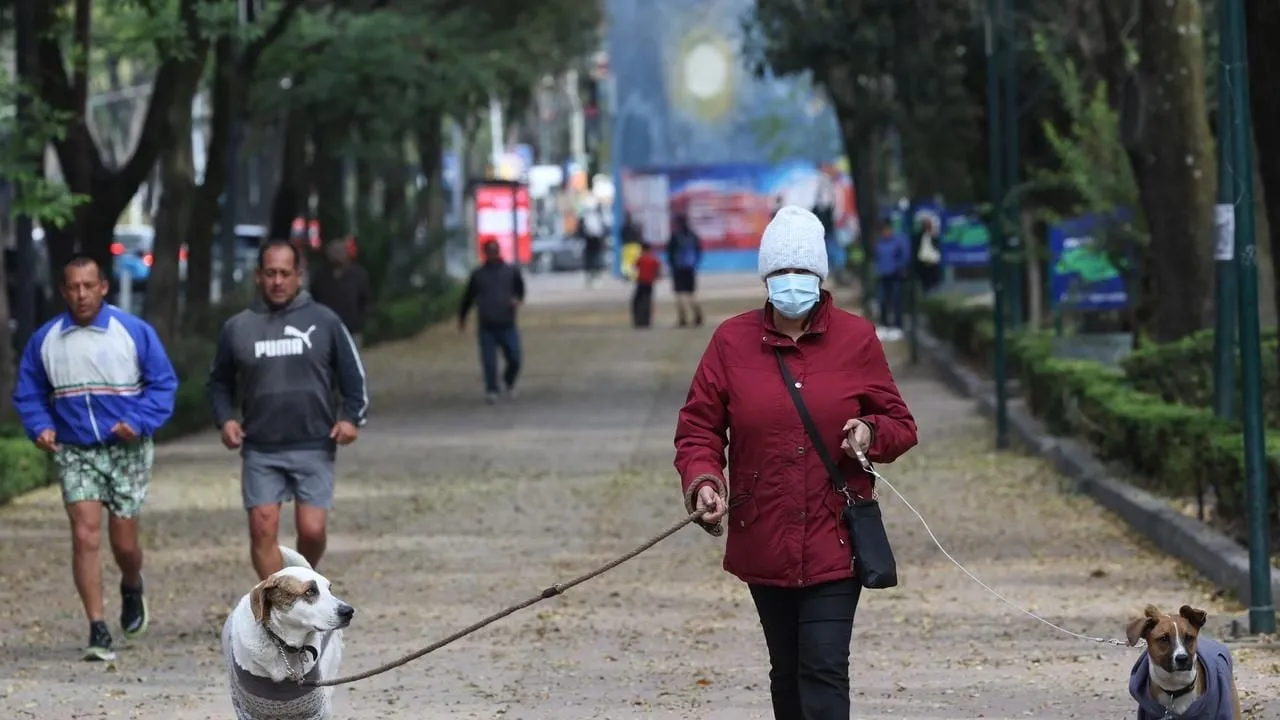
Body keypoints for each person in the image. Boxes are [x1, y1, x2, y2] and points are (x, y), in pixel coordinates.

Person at [673, 205, 917, 720]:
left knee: (824, 668)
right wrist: (704, 482)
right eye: (781, 273)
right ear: (765, 277)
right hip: (764, 532)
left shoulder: (856, 339)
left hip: (837, 535)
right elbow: (698, 427)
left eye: (802, 273)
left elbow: (900, 424)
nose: (791, 284)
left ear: (820, 277)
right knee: (786, 672)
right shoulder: (730, 342)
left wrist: (870, 434)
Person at [12, 254, 179, 661]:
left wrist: (137, 421)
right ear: (63, 290)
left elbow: (163, 385)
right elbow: (29, 392)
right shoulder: (46, 340)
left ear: (103, 287)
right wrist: (41, 427)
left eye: (89, 285)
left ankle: (132, 582)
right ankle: (97, 627)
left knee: (124, 543)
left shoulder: (133, 331)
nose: (81, 294)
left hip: (126, 449)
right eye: (73, 287)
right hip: (75, 450)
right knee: (84, 536)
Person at [206, 239, 369, 581]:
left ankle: (298, 580)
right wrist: (225, 420)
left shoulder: (325, 322)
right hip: (261, 448)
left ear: (299, 275)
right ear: (258, 277)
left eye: (284, 273)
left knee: (311, 530)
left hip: (313, 443)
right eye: (270, 273)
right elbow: (219, 383)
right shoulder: (238, 327)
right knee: (262, 529)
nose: (277, 281)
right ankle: (277, 606)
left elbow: (354, 379)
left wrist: (351, 419)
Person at [459, 239, 526, 404]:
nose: (492, 254)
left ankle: (508, 381)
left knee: (514, 357)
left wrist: (517, 299)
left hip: (507, 322)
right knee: (489, 361)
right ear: (485, 254)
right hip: (487, 324)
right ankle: (492, 389)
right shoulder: (478, 275)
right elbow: (468, 298)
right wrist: (463, 317)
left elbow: (520, 290)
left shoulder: (511, 272)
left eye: (495, 251)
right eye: (489, 252)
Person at [309, 237, 372, 347]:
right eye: (332, 251)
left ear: (346, 253)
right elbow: (314, 299)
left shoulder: (358, 274)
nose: (335, 254)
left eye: (339, 251)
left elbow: (365, 300)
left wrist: (360, 322)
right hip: (326, 330)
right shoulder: (320, 276)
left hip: (352, 330)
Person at [873, 222, 911, 339]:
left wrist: (900, 268)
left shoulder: (899, 241)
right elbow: (877, 257)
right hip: (883, 276)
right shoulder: (880, 243)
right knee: (883, 300)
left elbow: (905, 255)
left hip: (896, 276)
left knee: (896, 300)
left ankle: (897, 325)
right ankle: (885, 324)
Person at [666, 213, 703, 327]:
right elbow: (698, 251)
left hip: (678, 269)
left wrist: (672, 265)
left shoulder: (675, 236)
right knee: (691, 293)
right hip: (690, 268)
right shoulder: (692, 235)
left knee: (679, 294)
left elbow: (670, 253)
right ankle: (697, 315)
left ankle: (682, 318)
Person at [578, 197, 608, 288]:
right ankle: (591, 278)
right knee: (591, 260)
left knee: (596, 259)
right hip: (590, 241)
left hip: (596, 241)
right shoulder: (587, 218)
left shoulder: (597, 217)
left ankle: (595, 277)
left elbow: (602, 229)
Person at [631, 241, 661, 328]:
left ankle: (638, 320)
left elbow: (634, 266)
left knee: (638, 301)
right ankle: (647, 320)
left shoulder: (641, 258)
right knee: (648, 301)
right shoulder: (654, 258)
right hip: (650, 282)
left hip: (641, 282)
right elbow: (658, 270)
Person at [912, 214, 943, 294]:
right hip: (922, 264)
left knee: (934, 287)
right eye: (925, 224)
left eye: (928, 224)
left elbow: (938, 248)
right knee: (924, 287)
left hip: (933, 265)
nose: (926, 226)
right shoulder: (918, 236)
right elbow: (916, 249)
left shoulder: (935, 236)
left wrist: (933, 235)